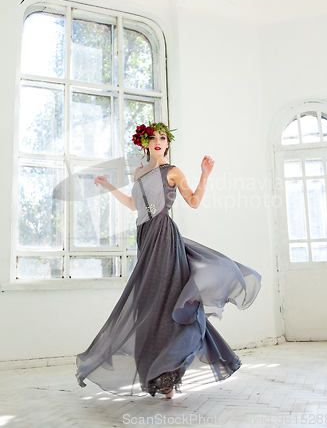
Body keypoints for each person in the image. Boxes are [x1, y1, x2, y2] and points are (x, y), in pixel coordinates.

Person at [75, 122, 261, 400]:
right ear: (145, 144)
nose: (160, 141)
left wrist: (205, 175)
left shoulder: (172, 172)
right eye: (154, 138)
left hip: (163, 238)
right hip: (145, 239)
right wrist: (108, 185)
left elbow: (194, 202)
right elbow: (134, 206)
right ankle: (160, 375)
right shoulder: (139, 172)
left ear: (167, 143)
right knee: (149, 304)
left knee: (167, 302)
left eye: (164, 138)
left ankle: (170, 375)